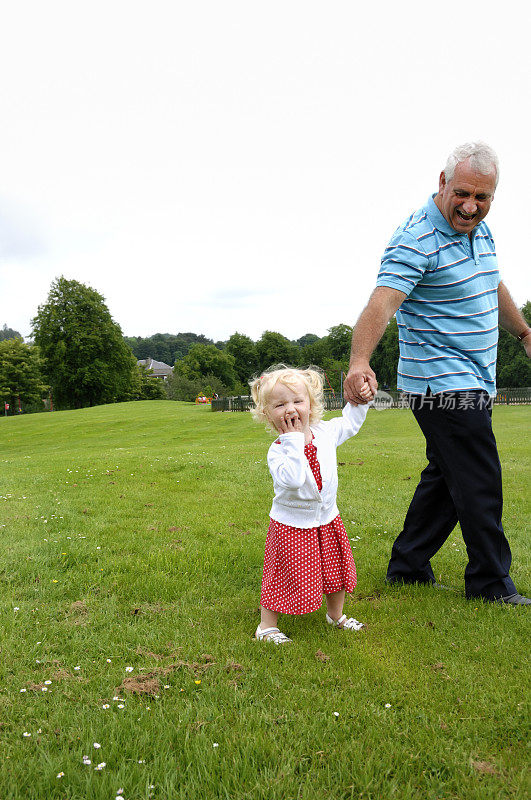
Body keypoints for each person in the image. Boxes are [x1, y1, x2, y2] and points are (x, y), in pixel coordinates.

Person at [344, 141, 531, 605]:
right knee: (479, 478)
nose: (471, 207)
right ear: (442, 182)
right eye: (463, 193)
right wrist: (359, 362)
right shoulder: (416, 238)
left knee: (449, 478)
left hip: (475, 376)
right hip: (441, 382)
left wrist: (524, 333)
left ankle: (408, 567)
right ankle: (490, 583)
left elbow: (492, 282)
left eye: (483, 198)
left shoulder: (477, 232)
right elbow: (381, 302)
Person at [249, 365, 373, 643]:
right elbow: (292, 480)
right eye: (280, 404)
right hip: (292, 526)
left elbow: (350, 423)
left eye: (297, 401)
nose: (290, 409)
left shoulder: (324, 433)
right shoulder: (279, 450)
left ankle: (335, 615)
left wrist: (361, 399)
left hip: (327, 519)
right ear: (268, 414)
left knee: (335, 570)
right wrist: (293, 440)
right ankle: (266, 626)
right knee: (283, 576)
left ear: (311, 404)